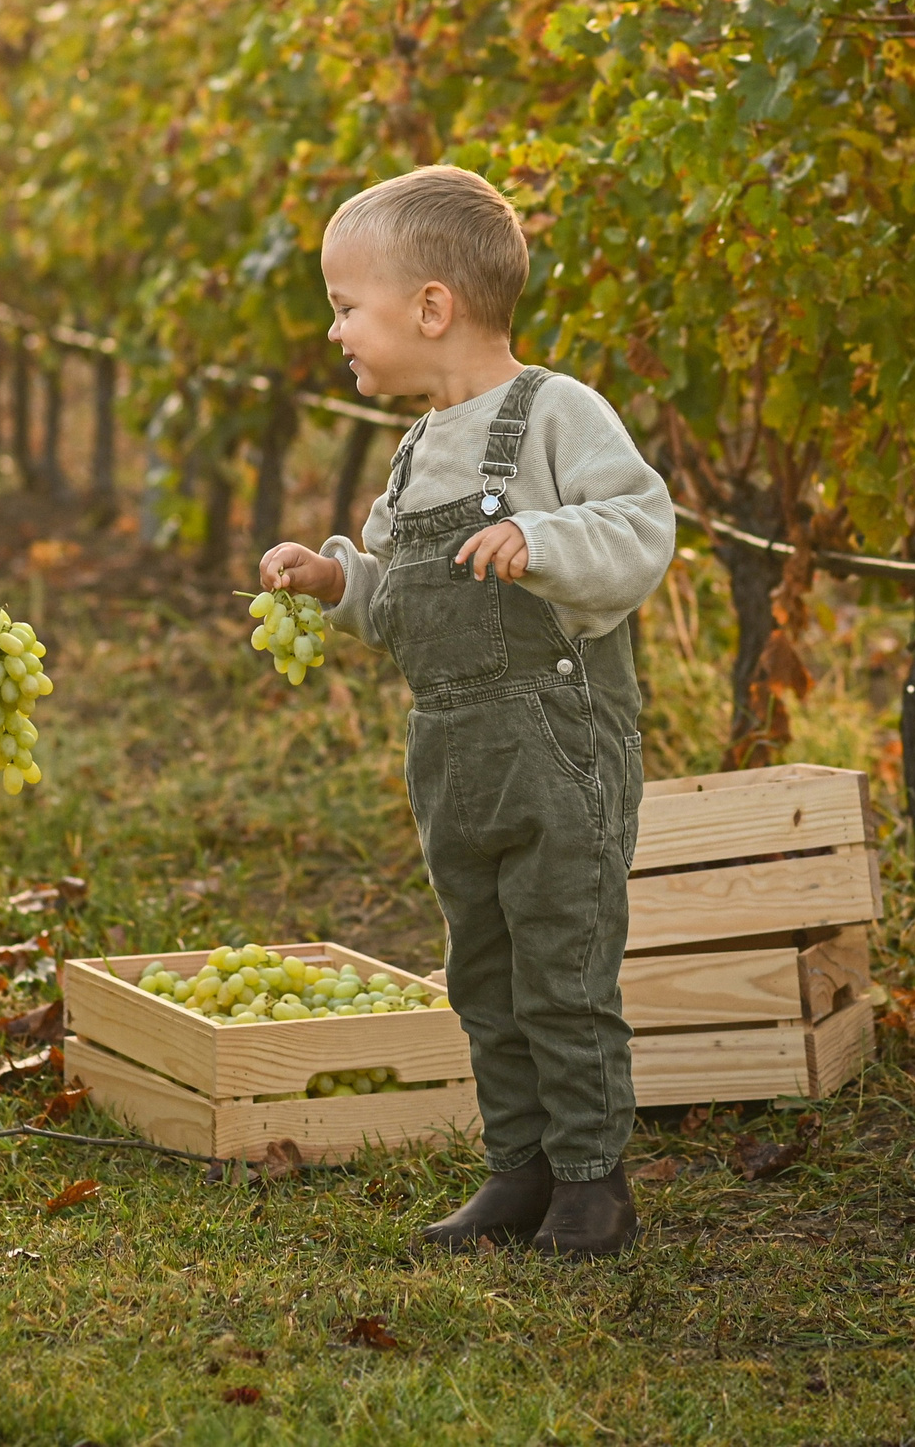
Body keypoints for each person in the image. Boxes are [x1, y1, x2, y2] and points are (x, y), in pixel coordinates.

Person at [257, 165, 674, 1258]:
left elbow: (639, 525)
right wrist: (332, 581)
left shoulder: (553, 413)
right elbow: (400, 604)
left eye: (347, 305)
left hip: (556, 742)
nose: (336, 328)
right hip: (453, 748)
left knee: (562, 964)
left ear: (430, 306)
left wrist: (544, 542)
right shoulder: (413, 451)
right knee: (482, 969)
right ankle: (517, 1171)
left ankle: (594, 1183)